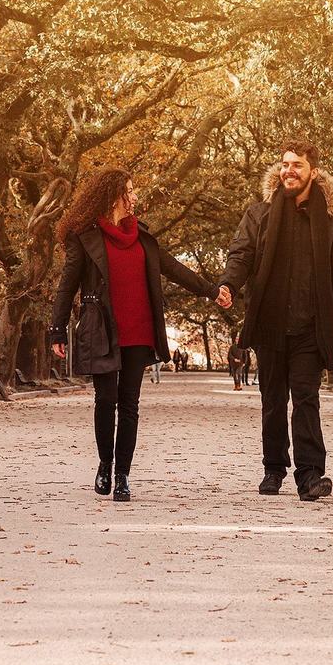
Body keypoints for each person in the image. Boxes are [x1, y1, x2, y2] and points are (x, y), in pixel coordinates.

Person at [49, 169, 230, 502]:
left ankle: (122, 476)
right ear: (113, 196)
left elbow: (175, 269)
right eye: (129, 191)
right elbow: (67, 284)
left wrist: (211, 290)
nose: (134, 197)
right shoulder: (85, 237)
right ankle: (105, 462)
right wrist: (57, 328)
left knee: (129, 404)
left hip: (139, 330)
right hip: (102, 329)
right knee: (105, 400)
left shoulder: (143, 238)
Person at [219, 140, 333, 501]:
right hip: (269, 323)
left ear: (313, 171)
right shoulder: (259, 214)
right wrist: (228, 284)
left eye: (297, 165)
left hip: (311, 326)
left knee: (306, 398)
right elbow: (241, 254)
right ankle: (273, 467)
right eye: (284, 164)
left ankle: (311, 475)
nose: (289, 171)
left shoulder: (329, 219)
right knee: (273, 399)